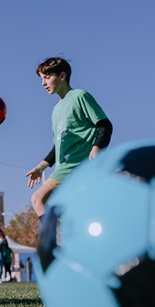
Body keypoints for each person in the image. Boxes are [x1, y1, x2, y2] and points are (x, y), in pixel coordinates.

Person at [25, 57, 112, 219]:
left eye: (47, 77)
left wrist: (96, 148)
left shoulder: (79, 96)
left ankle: (53, 241)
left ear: (62, 76)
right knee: (70, 211)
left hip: (77, 166)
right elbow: (58, 145)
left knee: (38, 199)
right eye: (41, 79)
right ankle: (60, 239)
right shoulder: (56, 110)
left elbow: (105, 125)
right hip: (63, 168)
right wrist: (40, 168)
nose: (43, 83)